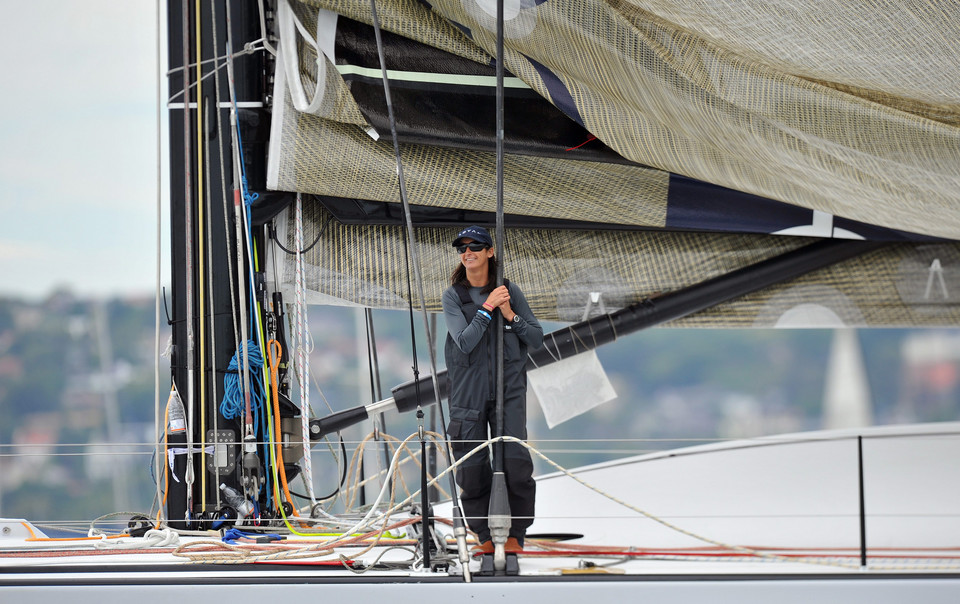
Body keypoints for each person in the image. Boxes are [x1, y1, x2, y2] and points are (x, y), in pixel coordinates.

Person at [442, 225, 543, 554]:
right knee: (471, 468)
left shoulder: (510, 290)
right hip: (468, 393)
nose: (467, 252)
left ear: (489, 252)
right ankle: (484, 535)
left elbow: (536, 338)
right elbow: (465, 342)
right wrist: (487, 309)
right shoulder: (453, 296)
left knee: (515, 463)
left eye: (475, 246)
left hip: (509, 389)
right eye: (462, 248)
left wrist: (509, 313)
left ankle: (516, 533)